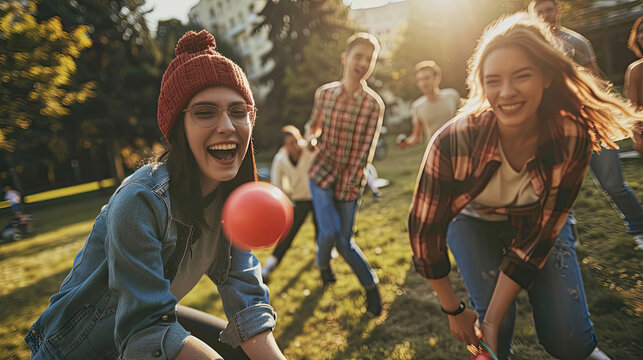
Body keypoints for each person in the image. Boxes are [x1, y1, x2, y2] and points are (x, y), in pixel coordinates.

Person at [25, 30, 286, 360]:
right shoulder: (140, 201)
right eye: (205, 112)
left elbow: (249, 309)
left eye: (238, 111)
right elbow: (145, 332)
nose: (228, 126)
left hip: (144, 329)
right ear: (179, 127)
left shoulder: (235, 203)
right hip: (80, 350)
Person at [408, 12, 640, 360]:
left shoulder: (571, 136)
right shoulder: (451, 142)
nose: (506, 92)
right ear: (482, 84)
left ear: (546, 76)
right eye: (494, 80)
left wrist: (490, 320)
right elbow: (425, 234)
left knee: (569, 343)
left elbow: (537, 238)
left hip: (537, 225)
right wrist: (455, 311)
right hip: (471, 221)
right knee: (495, 338)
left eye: (522, 76)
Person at [531, 0, 643, 248]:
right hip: (553, 128)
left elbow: (595, 83)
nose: (544, 15)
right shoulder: (531, 48)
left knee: (613, 183)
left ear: (557, 10)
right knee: (557, 187)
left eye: (548, 10)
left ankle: (639, 229)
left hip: (588, 122)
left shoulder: (576, 42)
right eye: (538, 12)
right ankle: (568, 237)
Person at [304, 32, 384, 316]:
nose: (363, 62)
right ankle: (324, 266)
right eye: (358, 56)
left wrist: (349, 183)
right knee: (328, 232)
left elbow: (365, 150)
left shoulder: (374, 105)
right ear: (345, 58)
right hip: (321, 173)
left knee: (344, 241)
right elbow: (312, 126)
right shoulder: (325, 94)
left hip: (350, 179)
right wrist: (311, 140)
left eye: (369, 59)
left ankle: (371, 288)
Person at [262, 125, 319, 282]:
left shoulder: (309, 150)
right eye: (289, 143)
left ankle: (323, 259)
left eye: (296, 141)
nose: (294, 146)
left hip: (317, 196)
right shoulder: (280, 159)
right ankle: (269, 266)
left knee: (321, 228)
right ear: (284, 146)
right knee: (288, 234)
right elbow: (277, 185)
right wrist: (285, 203)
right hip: (299, 199)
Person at [396, 60, 460, 149]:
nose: (423, 83)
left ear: (437, 78)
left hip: (458, 148)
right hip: (435, 152)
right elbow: (417, 138)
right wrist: (405, 143)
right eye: (420, 80)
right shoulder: (417, 107)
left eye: (426, 78)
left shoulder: (452, 96)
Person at [625, 17, 643, 160]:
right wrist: (637, 138)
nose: (642, 35)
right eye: (640, 31)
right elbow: (633, 108)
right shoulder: (636, 70)